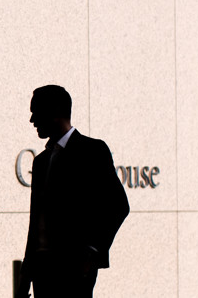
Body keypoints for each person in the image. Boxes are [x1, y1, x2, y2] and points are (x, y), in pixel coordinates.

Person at [20, 85, 129, 297]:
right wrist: (26, 272)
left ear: (55, 111)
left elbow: (119, 206)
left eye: (36, 112)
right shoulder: (41, 162)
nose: (32, 120)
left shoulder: (92, 151)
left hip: (74, 270)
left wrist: (91, 252)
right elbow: (36, 222)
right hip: (42, 272)